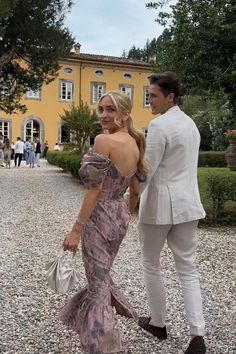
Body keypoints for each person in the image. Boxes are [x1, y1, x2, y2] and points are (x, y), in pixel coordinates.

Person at [60, 91, 147, 353]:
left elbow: (95, 190)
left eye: (110, 110)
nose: (104, 115)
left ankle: (106, 345)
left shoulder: (103, 140)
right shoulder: (135, 142)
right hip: (118, 217)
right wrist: (124, 217)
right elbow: (134, 190)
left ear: (125, 114)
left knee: (97, 285)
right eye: (101, 110)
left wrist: (77, 229)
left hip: (100, 218)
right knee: (101, 276)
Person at [137, 72, 206, 354]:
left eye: (153, 95)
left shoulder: (159, 125)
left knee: (151, 263)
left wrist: (124, 196)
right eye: (148, 94)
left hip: (159, 208)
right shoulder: (191, 125)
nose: (149, 100)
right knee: (188, 270)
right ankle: (197, 334)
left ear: (170, 97)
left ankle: (158, 323)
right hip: (189, 204)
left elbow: (146, 172)